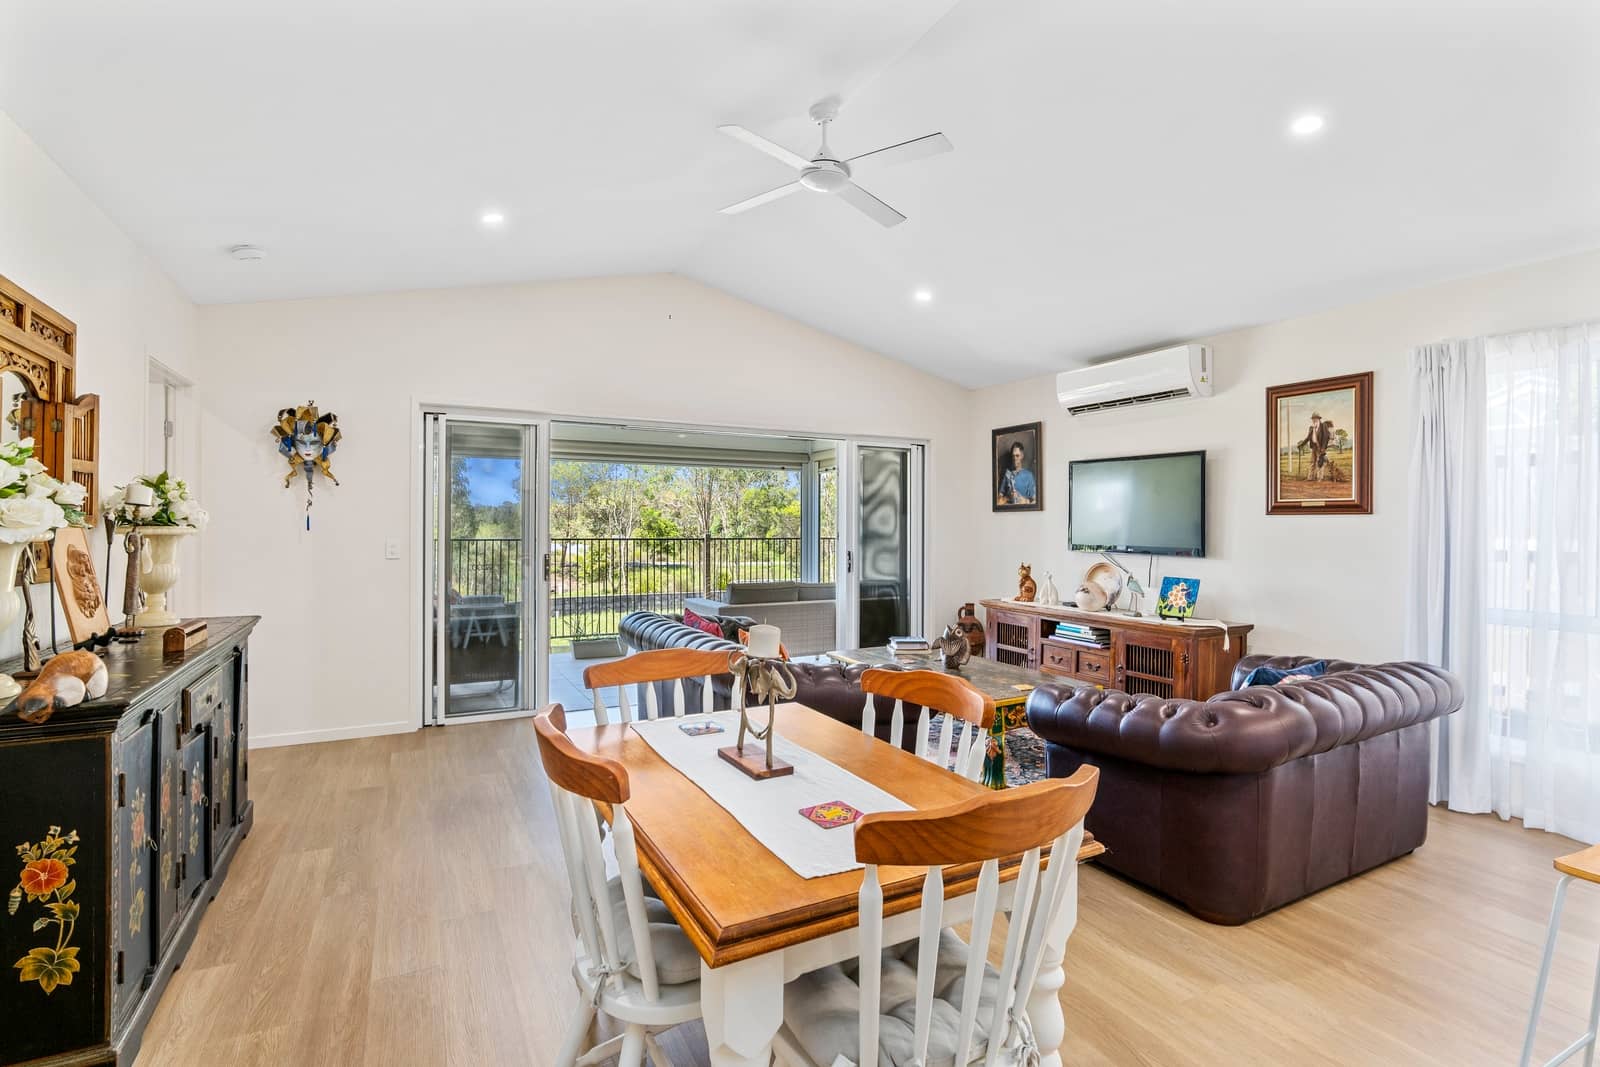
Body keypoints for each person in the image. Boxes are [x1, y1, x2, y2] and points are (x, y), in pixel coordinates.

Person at [998, 440, 1037, 504]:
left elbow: (1035, 501)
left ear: (1022, 456)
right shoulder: (1007, 474)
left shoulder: (1029, 475)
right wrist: (1008, 497)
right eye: (1013, 456)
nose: (1015, 458)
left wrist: (1024, 501)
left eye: (1017, 455)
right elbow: (998, 501)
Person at [1298, 413, 1332, 477]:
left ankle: (1319, 477)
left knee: (1320, 462)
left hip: (1320, 448)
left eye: (1316, 418)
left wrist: (1323, 448)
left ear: (1319, 419)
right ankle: (1310, 477)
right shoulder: (1311, 428)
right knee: (1312, 462)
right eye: (1313, 419)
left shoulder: (1323, 426)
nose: (1314, 420)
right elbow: (1308, 438)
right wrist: (1301, 445)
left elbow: (1326, 437)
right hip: (1314, 447)